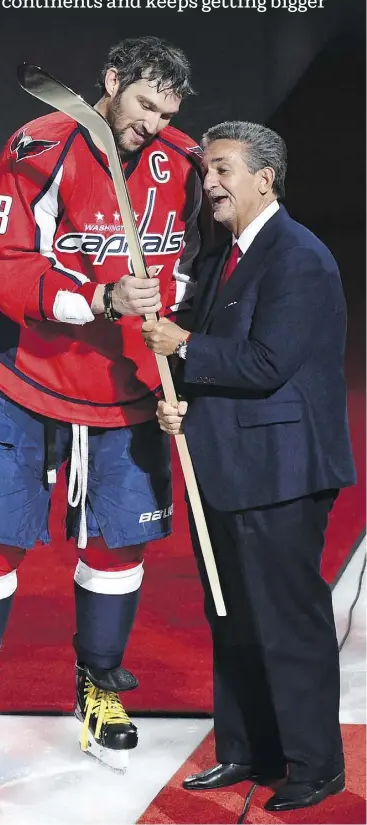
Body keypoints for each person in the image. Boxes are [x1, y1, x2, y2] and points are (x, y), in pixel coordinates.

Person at [0, 36, 208, 775]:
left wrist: (176, 301)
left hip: (125, 384)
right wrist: (99, 297)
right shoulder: (38, 146)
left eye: (166, 112)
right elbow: (5, 268)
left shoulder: (182, 161)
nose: (152, 123)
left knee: (117, 547)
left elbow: (205, 264)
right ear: (112, 81)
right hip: (23, 377)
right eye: (144, 104)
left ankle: (99, 684)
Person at [142, 121, 356, 812]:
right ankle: (245, 748)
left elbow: (266, 363)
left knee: (285, 619)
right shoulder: (220, 258)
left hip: (282, 472)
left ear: (264, 178)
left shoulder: (298, 257)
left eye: (222, 169)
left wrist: (182, 344)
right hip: (226, 464)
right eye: (205, 170)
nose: (208, 182)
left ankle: (313, 762)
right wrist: (180, 404)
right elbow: (210, 361)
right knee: (230, 614)